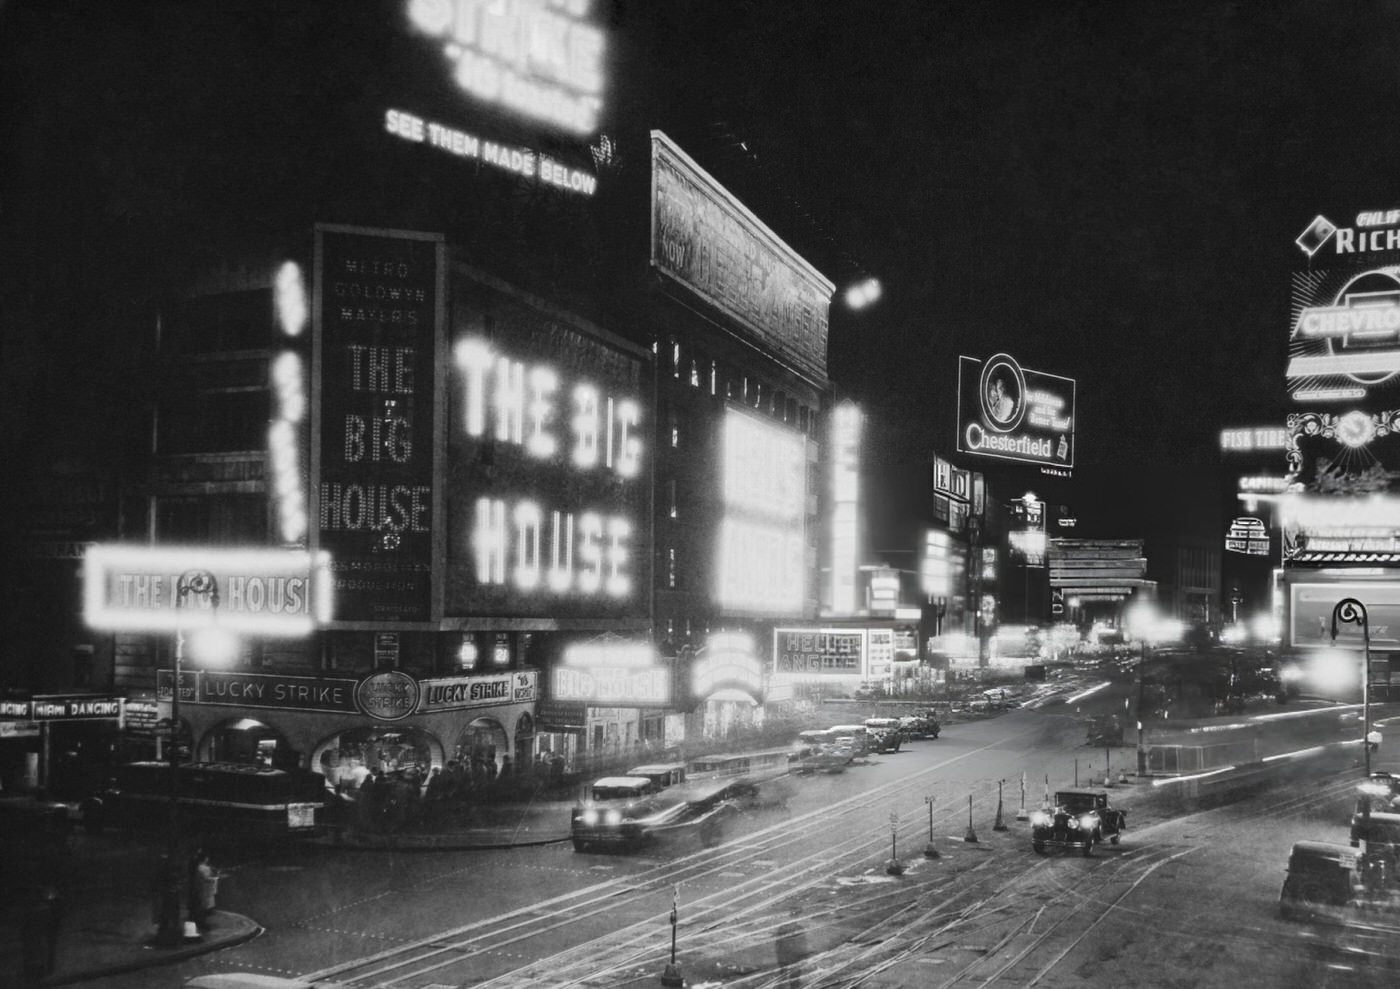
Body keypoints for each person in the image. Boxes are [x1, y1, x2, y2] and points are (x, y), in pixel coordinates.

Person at [189, 849, 219, 931]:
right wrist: (215, 878)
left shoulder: (199, 867)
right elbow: (208, 878)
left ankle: (201, 922)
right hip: (205, 890)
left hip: (200, 889)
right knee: (204, 907)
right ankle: (202, 924)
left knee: (202, 906)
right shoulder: (204, 868)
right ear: (205, 859)